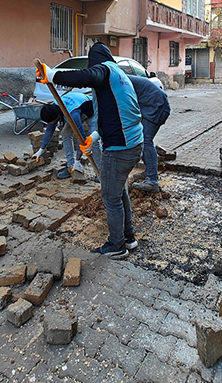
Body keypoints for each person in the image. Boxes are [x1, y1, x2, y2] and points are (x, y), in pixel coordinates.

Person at [36, 43, 143, 260]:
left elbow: (87, 76)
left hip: (120, 148)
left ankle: (117, 245)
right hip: (132, 143)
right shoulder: (118, 77)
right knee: (119, 191)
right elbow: (111, 114)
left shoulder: (106, 70)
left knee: (110, 196)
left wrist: (53, 74)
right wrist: (94, 137)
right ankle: (128, 238)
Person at [31, 92, 94, 179]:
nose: (49, 124)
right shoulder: (53, 108)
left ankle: (100, 173)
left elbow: (81, 138)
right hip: (74, 110)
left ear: (56, 117)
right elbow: (50, 129)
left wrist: (78, 160)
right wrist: (41, 150)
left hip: (91, 109)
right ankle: (70, 166)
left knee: (94, 141)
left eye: (50, 122)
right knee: (65, 133)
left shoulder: (72, 115)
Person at [128, 75, 170, 193]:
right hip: (151, 107)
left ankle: (152, 181)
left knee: (146, 141)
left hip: (158, 108)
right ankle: (149, 172)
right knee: (142, 139)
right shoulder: (119, 80)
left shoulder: (119, 82)